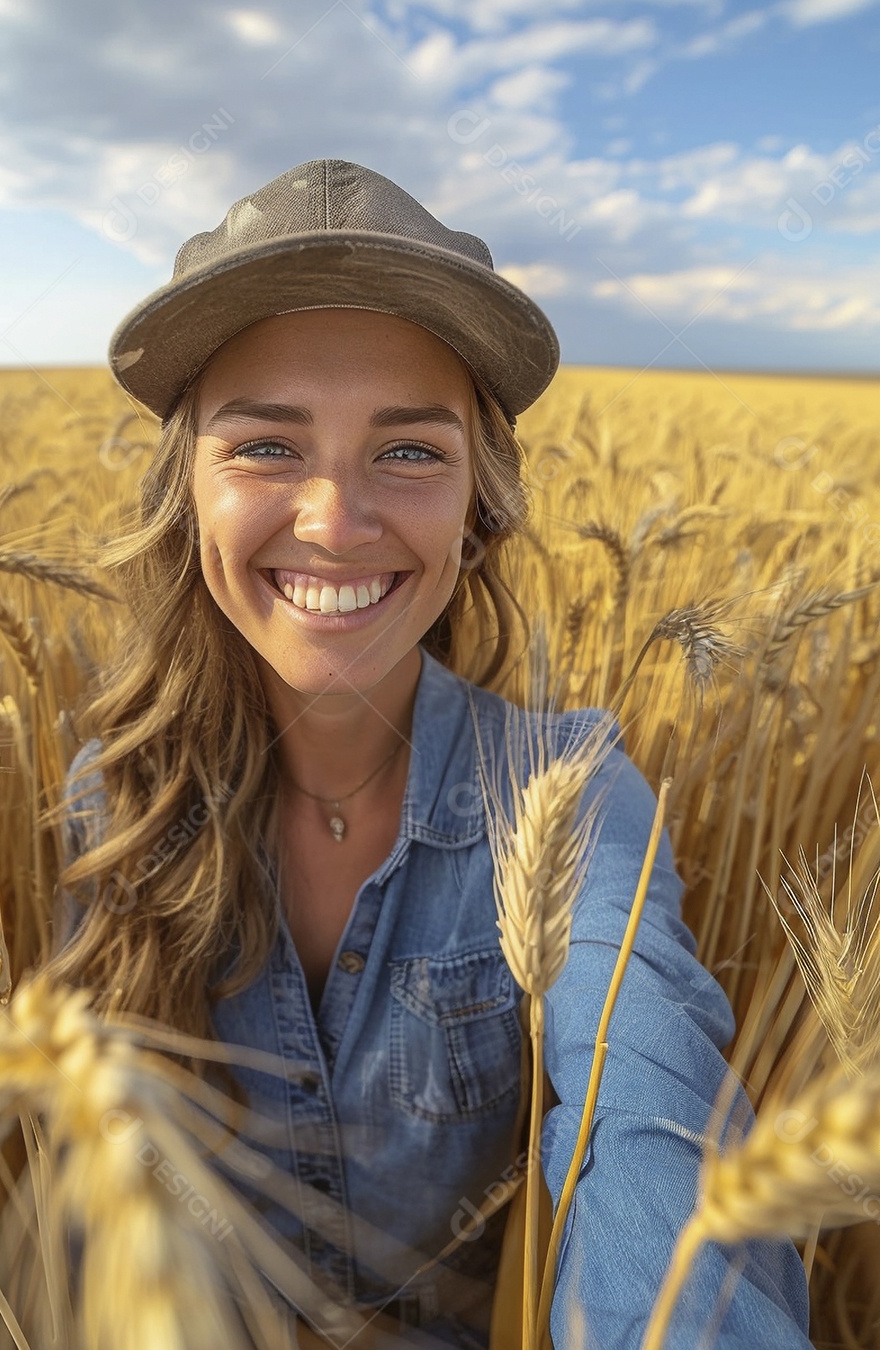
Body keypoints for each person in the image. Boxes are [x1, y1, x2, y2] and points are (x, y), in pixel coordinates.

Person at [50, 160, 812, 1348]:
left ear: (481, 504)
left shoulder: (569, 790)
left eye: (408, 451)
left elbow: (656, 1124)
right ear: (186, 491)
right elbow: (103, 1205)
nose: (334, 520)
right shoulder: (117, 799)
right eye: (264, 447)